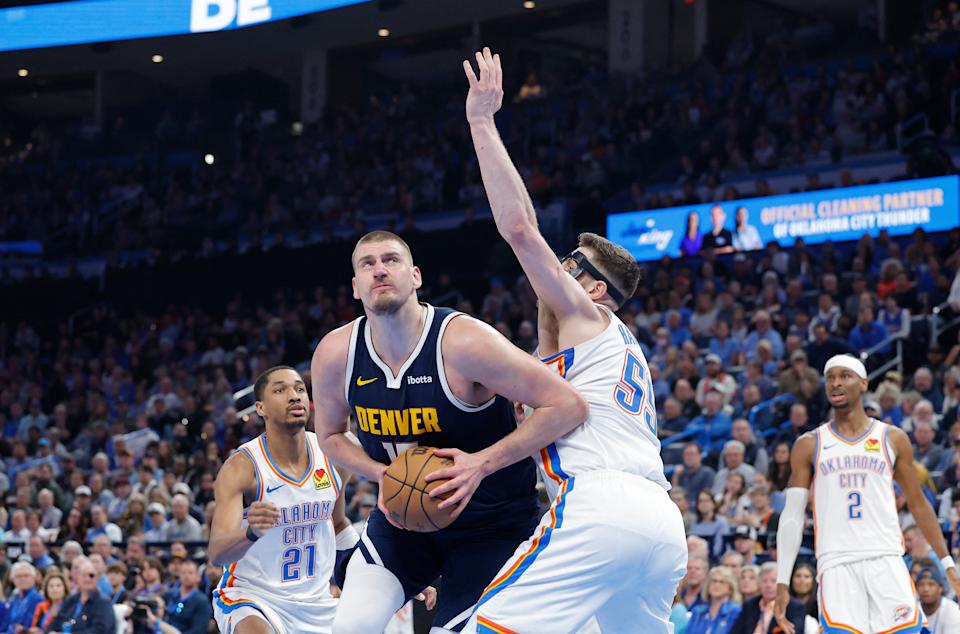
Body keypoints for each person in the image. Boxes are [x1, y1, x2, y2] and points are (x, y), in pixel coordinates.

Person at [458, 47, 685, 633]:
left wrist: (482, 122)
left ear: (599, 293)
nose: (561, 268)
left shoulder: (589, 318)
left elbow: (518, 228)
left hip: (599, 505)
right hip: (660, 525)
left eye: (574, 265)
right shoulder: (596, 350)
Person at [311, 226, 588, 632]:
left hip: (493, 524)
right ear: (355, 286)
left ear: (416, 276)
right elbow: (330, 436)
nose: (379, 271)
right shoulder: (336, 353)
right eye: (367, 265)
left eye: (391, 260)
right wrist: (382, 474)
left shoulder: (464, 342)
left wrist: (479, 465)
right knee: (351, 626)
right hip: (404, 521)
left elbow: (567, 404)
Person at [774, 355, 960, 633]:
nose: (836, 383)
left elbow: (919, 505)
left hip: (885, 557)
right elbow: (792, 515)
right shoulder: (809, 444)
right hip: (836, 562)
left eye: (845, 376)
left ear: (863, 384)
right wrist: (782, 580)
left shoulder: (892, 438)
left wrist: (947, 562)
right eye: (830, 377)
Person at [209, 366, 355, 634]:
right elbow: (217, 553)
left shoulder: (333, 453)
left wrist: (387, 574)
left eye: (299, 389)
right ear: (260, 408)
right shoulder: (242, 467)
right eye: (280, 389)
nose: (294, 396)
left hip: (317, 603)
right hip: (253, 598)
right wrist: (250, 534)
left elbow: (339, 525)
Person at [48, 557, 116, 633]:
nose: (87, 579)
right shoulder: (71, 599)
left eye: (91, 575)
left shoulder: (103, 602)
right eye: (84, 575)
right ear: (78, 578)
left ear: (97, 578)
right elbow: (57, 621)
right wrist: (51, 631)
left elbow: (99, 630)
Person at [733, 562, 804, 634]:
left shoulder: (794, 606)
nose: (768, 585)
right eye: (764, 581)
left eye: (773, 581)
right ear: (759, 583)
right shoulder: (750, 605)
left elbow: (795, 631)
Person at [686, 565, 741, 634]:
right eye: (714, 581)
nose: (716, 585)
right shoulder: (698, 611)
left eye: (721, 582)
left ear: (730, 588)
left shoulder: (736, 611)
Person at [163, 560, 211, 634]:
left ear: (198, 577)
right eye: (183, 573)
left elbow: (198, 631)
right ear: (179, 576)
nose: (186, 576)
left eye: (190, 573)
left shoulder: (202, 602)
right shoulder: (169, 595)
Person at [916, 565, 960, 634]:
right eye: (921, 584)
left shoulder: (952, 609)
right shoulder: (913, 610)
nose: (926, 589)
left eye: (931, 584)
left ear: (940, 588)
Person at [7, 562, 42, 634]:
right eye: (18, 576)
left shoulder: (37, 598)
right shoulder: (13, 598)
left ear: (33, 577)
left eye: (26, 575)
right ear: (13, 579)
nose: (22, 579)